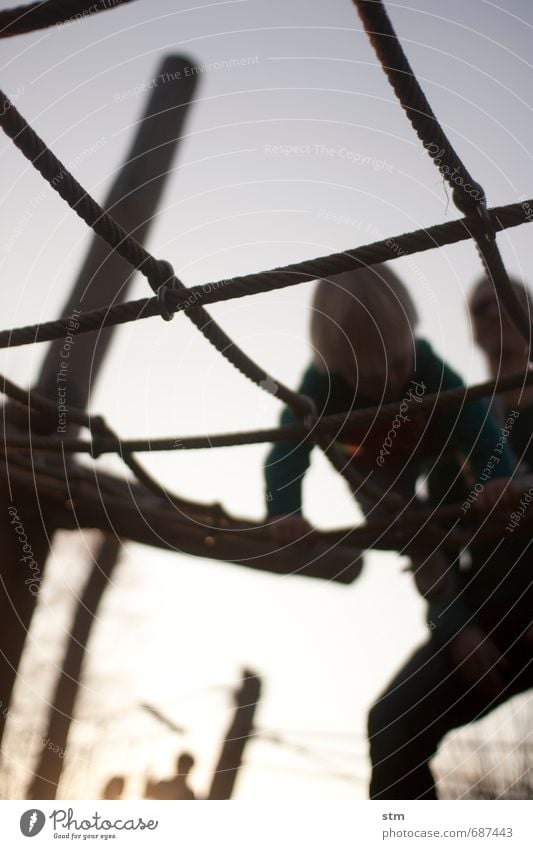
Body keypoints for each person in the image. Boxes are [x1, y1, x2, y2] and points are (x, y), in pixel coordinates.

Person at [365, 275, 533, 799]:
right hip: (486, 618)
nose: (493, 313)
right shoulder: (461, 420)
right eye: (480, 307)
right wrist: (456, 625)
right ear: (471, 330)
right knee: (392, 725)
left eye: (506, 301)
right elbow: (426, 539)